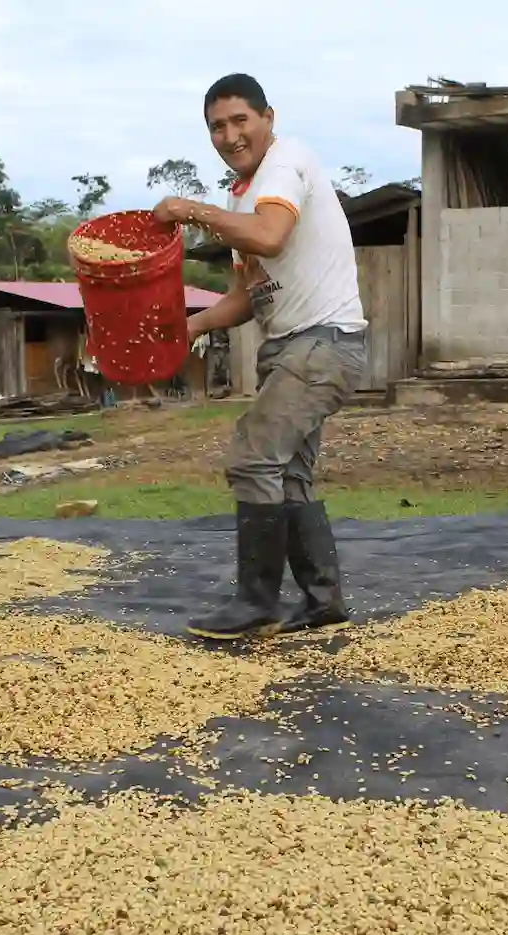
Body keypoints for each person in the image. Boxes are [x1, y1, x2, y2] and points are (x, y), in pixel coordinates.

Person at [154, 73, 367, 641]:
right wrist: (186, 327)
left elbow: (271, 236)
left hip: (322, 343)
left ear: (268, 117)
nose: (230, 135)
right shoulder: (241, 198)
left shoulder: (284, 163)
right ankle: (322, 602)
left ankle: (256, 603)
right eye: (217, 127)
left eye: (239, 120)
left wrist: (187, 209)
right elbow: (246, 298)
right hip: (294, 347)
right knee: (289, 475)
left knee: (253, 458)